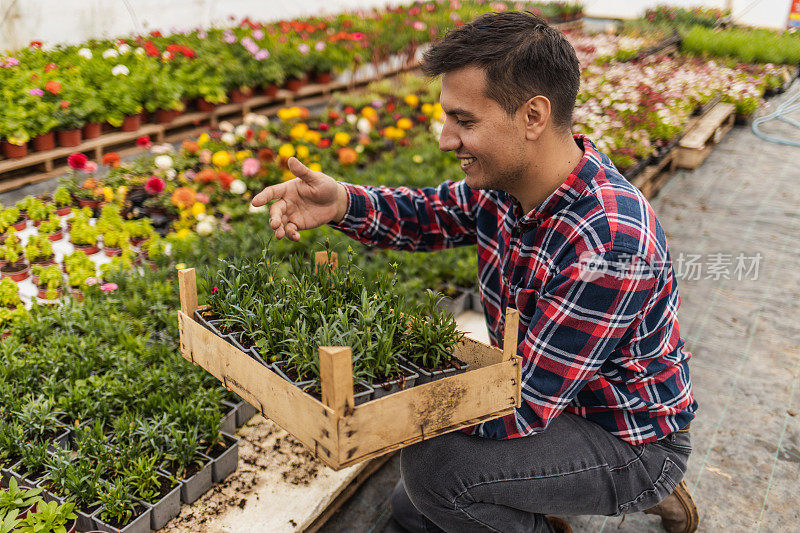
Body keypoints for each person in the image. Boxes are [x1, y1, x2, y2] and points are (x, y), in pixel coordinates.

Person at [251, 11, 698, 533]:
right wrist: (342, 202)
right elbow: (427, 216)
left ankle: (642, 485)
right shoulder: (511, 186)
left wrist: (385, 411)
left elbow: (524, 406)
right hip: (555, 395)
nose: (445, 140)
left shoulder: (608, 243)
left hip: (622, 431)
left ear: (533, 117)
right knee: (410, 508)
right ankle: (544, 500)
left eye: (464, 121)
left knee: (436, 473)